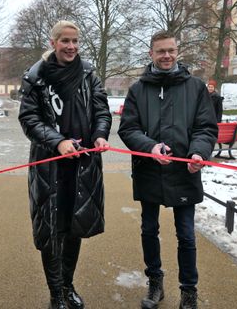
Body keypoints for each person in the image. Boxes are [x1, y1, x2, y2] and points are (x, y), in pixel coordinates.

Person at [118, 31, 218, 309]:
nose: (166, 56)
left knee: (186, 234)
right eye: (160, 51)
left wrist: (198, 151)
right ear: (151, 54)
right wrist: (150, 147)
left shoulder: (196, 87)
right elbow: (128, 128)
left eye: (171, 50)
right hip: (149, 170)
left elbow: (206, 128)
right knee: (149, 229)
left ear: (177, 51)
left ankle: (188, 290)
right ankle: (155, 283)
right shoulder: (138, 89)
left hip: (185, 171)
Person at [18, 20, 111, 309]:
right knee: (51, 230)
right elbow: (29, 119)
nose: (71, 47)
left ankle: (68, 285)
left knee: (75, 226)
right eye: (65, 41)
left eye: (75, 41)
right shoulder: (36, 77)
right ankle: (55, 293)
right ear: (53, 42)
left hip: (83, 164)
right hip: (50, 165)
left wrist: (99, 135)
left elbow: (102, 111)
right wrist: (57, 141)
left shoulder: (89, 75)